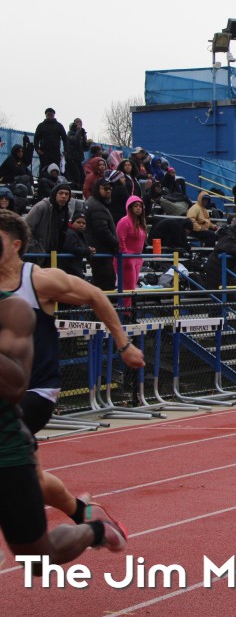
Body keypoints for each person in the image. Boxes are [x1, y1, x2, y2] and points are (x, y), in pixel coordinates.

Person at [0, 210, 144, 543]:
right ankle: (84, 514)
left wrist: (123, 344)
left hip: (36, 391)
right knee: (31, 476)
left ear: (16, 245)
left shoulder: (38, 280)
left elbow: (94, 295)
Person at [0, 289, 129, 571]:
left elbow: (15, 387)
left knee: (37, 560)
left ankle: (96, 530)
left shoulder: (13, 310)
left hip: (6, 450)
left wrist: (124, 344)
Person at [84, 178, 119, 291]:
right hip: (100, 252)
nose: (108, 191)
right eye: (105, 188)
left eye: (110, 189)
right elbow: (102, 231)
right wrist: (116, 244)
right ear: (97, 189)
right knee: (105, 284)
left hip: (100, 251)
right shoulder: (97, 206)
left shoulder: (96, 204)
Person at [25, 183, 72, 262]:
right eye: (61, 193)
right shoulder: (41, 207)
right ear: (55, 194)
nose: (64, 196)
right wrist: (34, 247)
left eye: (67, 194)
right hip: (36, 254)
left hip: (55, 254)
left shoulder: (67, 212)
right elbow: (26, 227)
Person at [115, 196, 147, 297]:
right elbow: (120, 240)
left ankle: (128, 306)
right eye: (135, 206)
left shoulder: (140, 223)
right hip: (127, 259)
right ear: (130, 207)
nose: (138, 208)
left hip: (137, 258)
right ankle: (125, 307)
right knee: (128, 288)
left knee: (131, 288)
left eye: (140, 206)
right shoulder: (124, 221)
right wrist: (126, 256)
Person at [33, 108, 68, 176]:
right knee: (44, 169)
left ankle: (55, 181)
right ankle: (43, 181)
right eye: (48, 115)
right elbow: (36, 138)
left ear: (54, 115)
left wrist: (66, 150)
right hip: (44, 152)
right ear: (46, 115)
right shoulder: (41, 126)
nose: (50, 116)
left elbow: (65, 138)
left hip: (55, 152)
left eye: (51, 115)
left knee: (55, 169)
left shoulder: (59, 126)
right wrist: (37, 149)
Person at [61, 212, 94, 279]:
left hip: (76, 268)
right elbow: (73, 248)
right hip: (69, 269)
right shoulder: (70, 234)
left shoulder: (81, 235)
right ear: (72, 223)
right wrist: (88, 250)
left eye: (83, 223)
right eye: (78, 222)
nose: (81, 225)